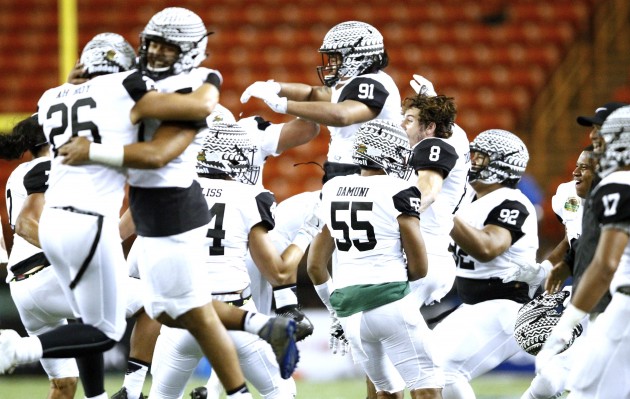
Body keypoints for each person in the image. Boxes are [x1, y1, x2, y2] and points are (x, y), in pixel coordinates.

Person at [58, 9, 299, 398]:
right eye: (151, 43)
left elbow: (158, 150)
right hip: (153, 207)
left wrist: (99, 143)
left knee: (137, 310)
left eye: (167, 46)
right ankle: (257, 329)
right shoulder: (139, 85)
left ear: (190, 51)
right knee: (172, 311)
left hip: (174, 204)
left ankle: (24, 350)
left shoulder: (198, 83)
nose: (155, 52)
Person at [0, 24, 244, 399]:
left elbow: (81, 102)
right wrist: (210, 77)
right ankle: (19, 349)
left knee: (90, 321)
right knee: (108, 328)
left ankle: (98, 395)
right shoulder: (121, 88)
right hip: (88, 222)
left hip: (54, 230)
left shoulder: (50, 98)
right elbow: (191, 109)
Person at [149, 122, 321, 399]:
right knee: (280, 392)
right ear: (230, 158)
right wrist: (306, 233)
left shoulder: (174, 189)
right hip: (234, 315)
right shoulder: (248, 196)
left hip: (181, 315)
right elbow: (278, 272)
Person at [308, 119, 443, 399]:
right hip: (389, 300)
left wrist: (334, 308)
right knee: (426, 388)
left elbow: (315, 265)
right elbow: (419, 267)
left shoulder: (333, 188)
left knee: (386, 393)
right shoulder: (399, 189)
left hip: (348, 310)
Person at [431, 129, 537, 399]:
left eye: (480, 157)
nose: (472, 161)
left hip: (505, 304)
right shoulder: (470, 200)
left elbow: (487, 247)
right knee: (425, 368)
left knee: (444, 373)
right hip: (473, 305)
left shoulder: (512, 202)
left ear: (502, 164)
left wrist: (443, 210)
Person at [536, 105, 630, 398]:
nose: (593, 139)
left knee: (584, 390)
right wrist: (567, 260)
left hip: (622, 305)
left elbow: (605, 265)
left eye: (603, 138)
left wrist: (567, 323)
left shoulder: (617, 184)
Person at [240, 20, 401, 184]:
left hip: (367, 172)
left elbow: (342, 115)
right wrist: (275, 87)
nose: (330, 63)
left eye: (335, 57)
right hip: (345, 168)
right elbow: (313, 93)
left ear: (358, 56)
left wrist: (284, 105)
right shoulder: (354, 82)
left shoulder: (372, 84)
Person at [513, 146, 596, 399]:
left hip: (614, 301)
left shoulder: (620, 202)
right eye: (577, 164)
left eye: (585, 167)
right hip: (587, 296)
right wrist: (546, 268)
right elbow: (572, 238)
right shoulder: (567, 195)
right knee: (549, 379)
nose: (575, 171)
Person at [401, 82, 471, 307]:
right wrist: (431, 101)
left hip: (424, 252)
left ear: (430, 127)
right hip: (433, 253)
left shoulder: (434, 145)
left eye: (409, 120)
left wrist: (393, 216)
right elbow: (451, 126)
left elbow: (428, 191)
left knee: (376, 328)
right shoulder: (454, 137)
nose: (402, 124)